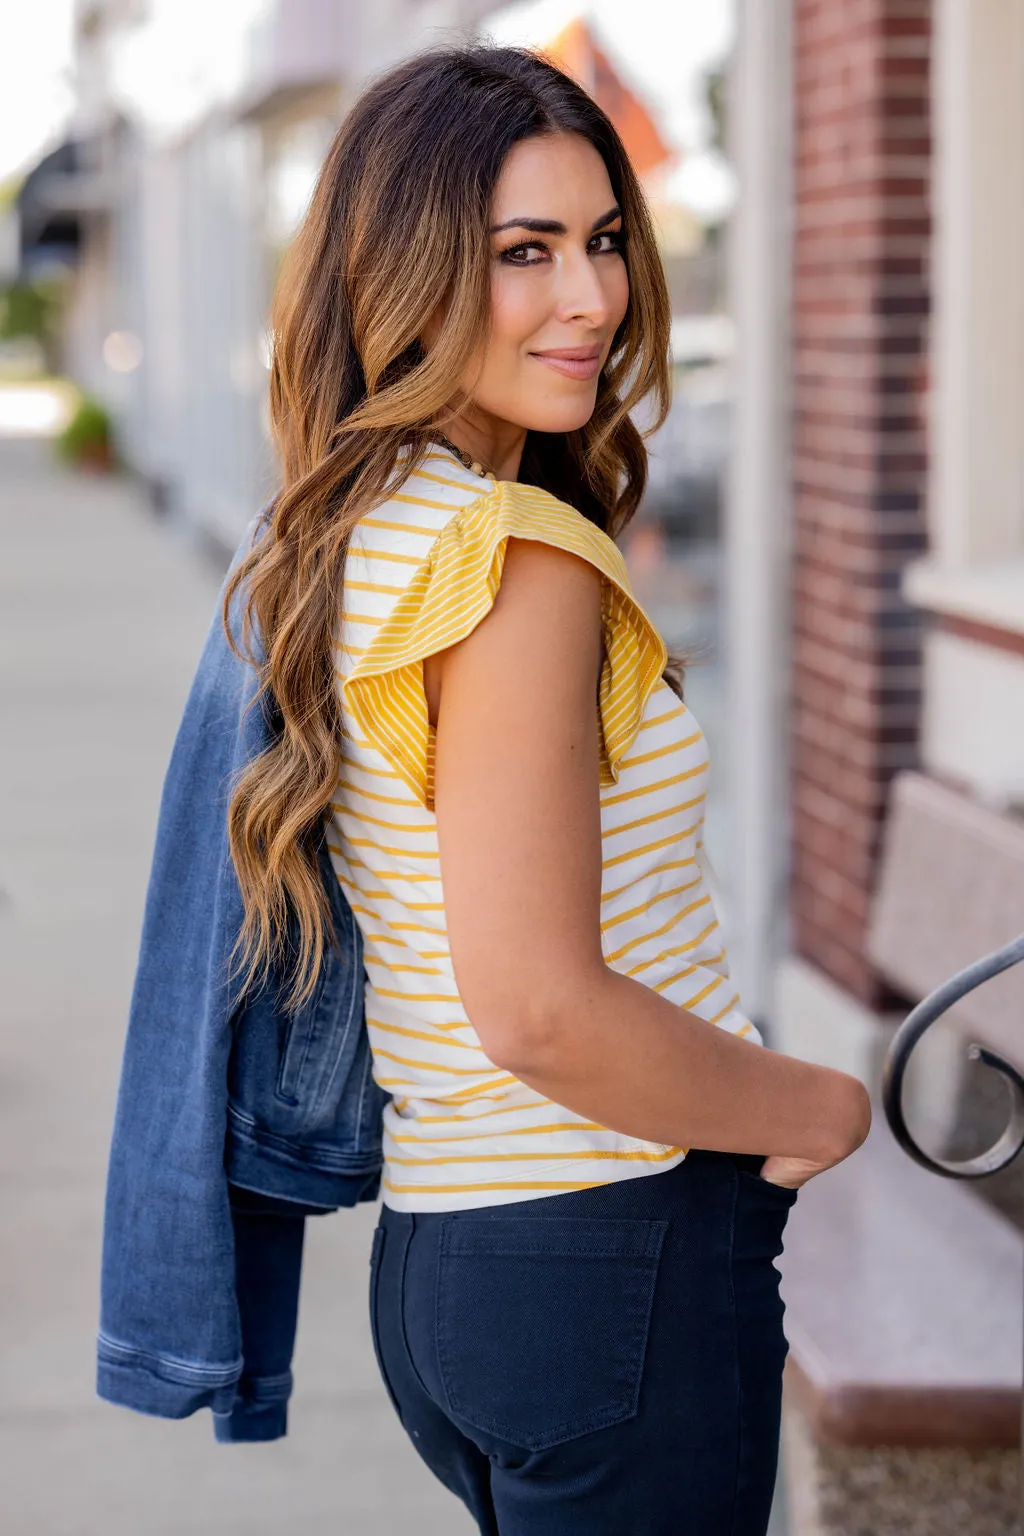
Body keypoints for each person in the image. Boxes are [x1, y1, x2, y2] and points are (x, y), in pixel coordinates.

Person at [223, 43, 871, 1535]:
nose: (590, 299)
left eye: (600, 244)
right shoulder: (510, 556)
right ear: (408, 270)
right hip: (611, 1250)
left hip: (454, 1268)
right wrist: (811, 1100)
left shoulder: (351, 525)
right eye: (523, 254)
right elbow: (537, 1007)